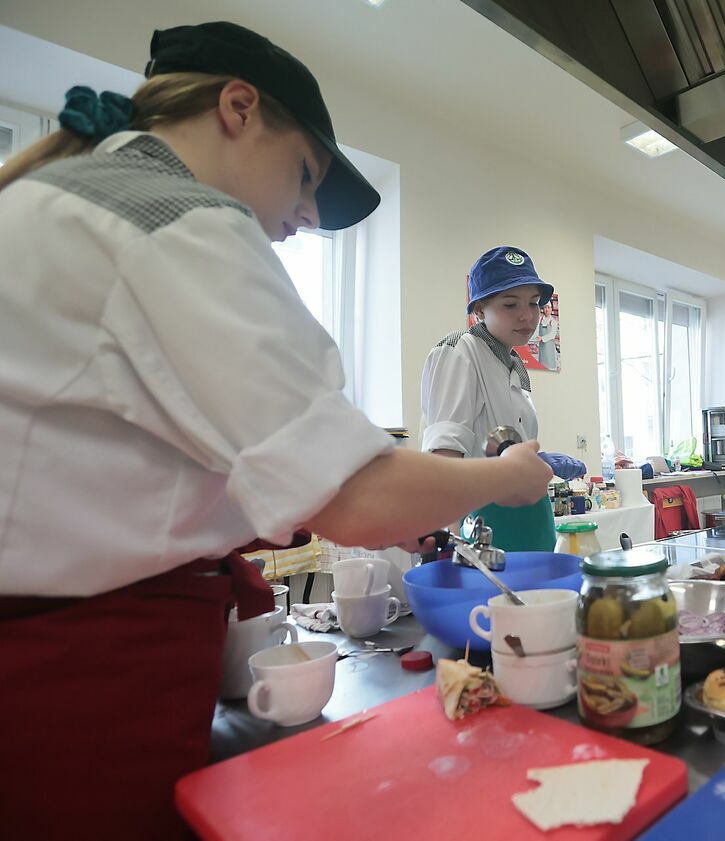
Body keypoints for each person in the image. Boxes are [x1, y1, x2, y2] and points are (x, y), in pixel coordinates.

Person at [0, 22, 553, 839]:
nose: (305, 216)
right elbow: (358, 498)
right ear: (238, 109)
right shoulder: (177, 221)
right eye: (304, 177)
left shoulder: (70, 199)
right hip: (73, 685)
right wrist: (508, 476)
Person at [421, 246, 586, 550]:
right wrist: (449, 543)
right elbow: (444, 457)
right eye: (510, 304)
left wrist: (536, 462)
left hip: (532, 520)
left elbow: (505, 444)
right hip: (484, 522)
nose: (527, 315)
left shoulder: (515, 364)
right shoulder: (460, 350)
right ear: (479, 310)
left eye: (534, 303)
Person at [536, 299, 559, 371]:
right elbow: (536, 331)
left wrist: (542, 338)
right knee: (542, 365)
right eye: (545, 307)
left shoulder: (553, 321)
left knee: (550, 366)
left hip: (549, 348)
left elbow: (552, 335)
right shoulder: (540, 320)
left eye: (548, 307)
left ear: (551, 309)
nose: (547, 309)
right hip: (542, 348)